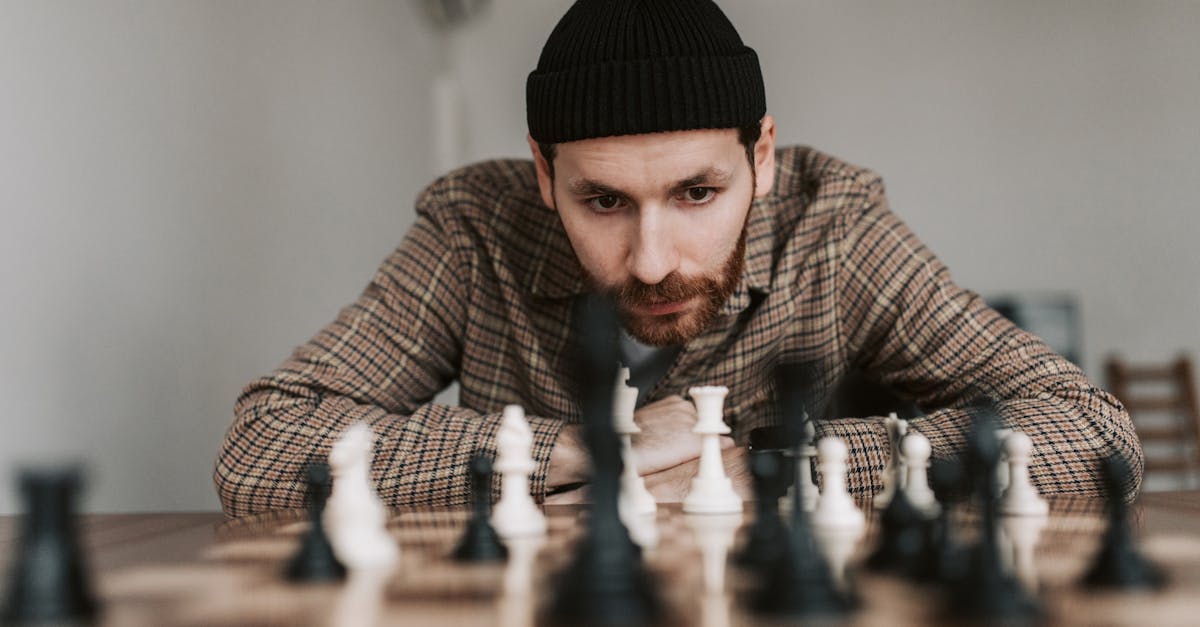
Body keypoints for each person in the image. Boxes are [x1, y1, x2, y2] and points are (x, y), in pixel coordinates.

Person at [214, 0, 1141, 517]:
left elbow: (1092, 431)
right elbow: (261, 447)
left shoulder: (838, 227)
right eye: (604, 200)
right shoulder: (473, 228)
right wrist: (583, 451)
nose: (652, 261)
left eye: (697, 193)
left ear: (762, 156)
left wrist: (779, 463)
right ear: (543, 171)